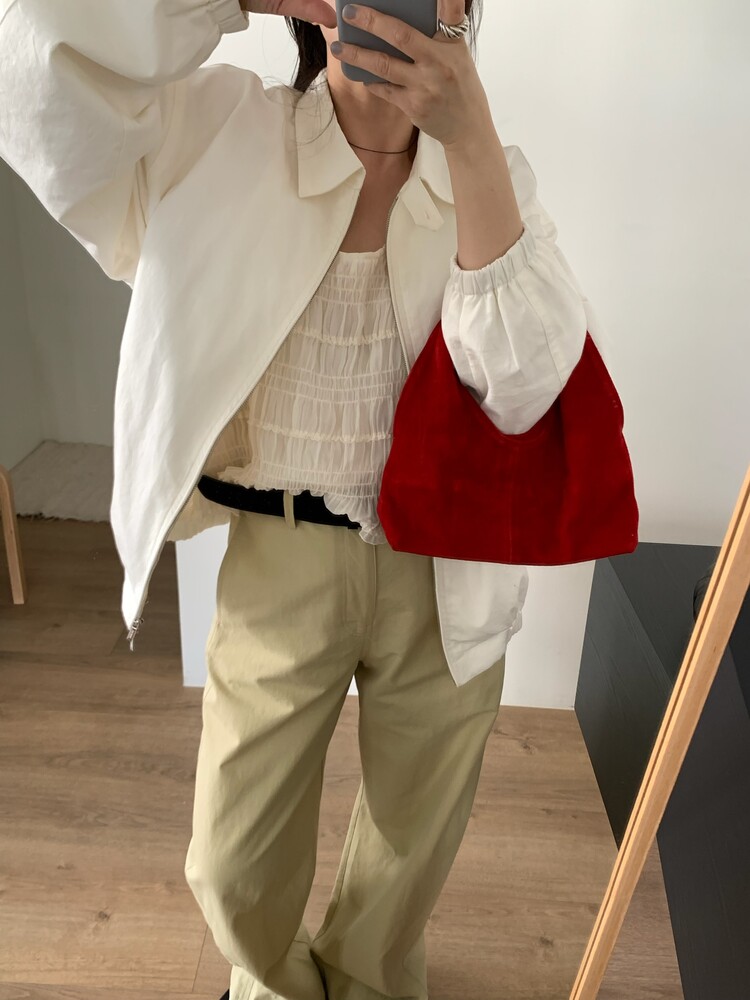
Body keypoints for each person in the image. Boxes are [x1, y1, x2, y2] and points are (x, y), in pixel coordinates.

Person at [0, 2, 594, 999]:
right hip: (281, 561)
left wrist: (472, 141)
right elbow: (31, 61)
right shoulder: (214, 135)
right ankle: (275, 983)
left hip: (447, 567)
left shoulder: (495, 175)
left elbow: (529, 387)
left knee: (413, 838)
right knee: (230, 860)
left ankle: (370, 979)